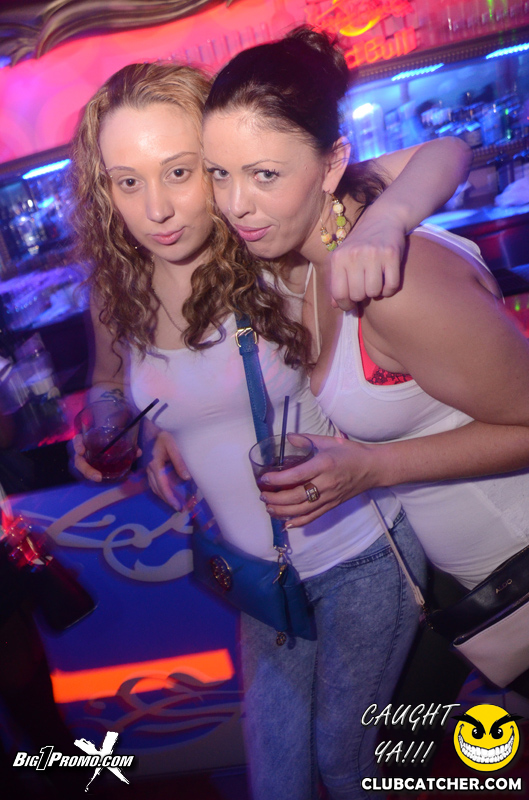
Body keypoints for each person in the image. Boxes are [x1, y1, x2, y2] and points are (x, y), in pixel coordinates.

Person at [70, 61, 471, 800]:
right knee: (277, 783)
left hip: (358, 556)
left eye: (180, 172)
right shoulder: (116, 285)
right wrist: (110, 423)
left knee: (346, 768)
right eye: (127, 182)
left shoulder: (275, 246)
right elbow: (105, 380)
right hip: (263, 581)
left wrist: (384, 221)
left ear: (217, 163)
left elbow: (446, 150)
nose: (155, 208)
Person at [201, 26, 529, 593]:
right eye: (219, 173)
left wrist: (374, 468)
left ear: (332, 164)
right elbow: (445, 151)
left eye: (264, 174)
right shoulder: (311, 255)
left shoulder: (394, 288)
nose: (235, 204)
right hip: (473, 583)